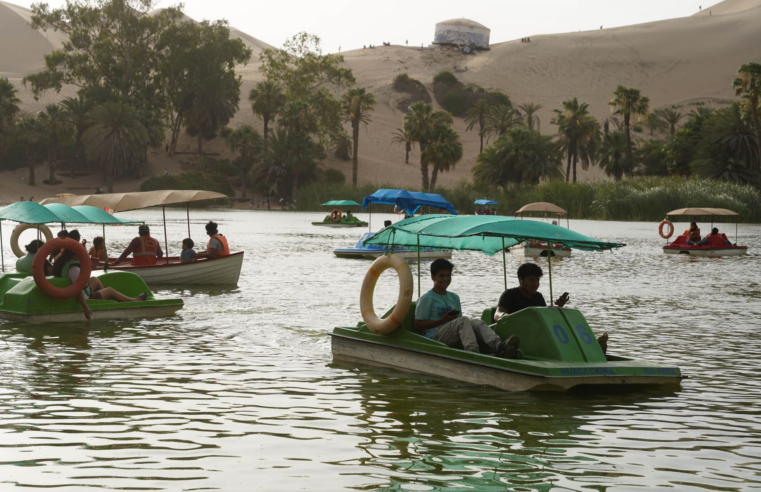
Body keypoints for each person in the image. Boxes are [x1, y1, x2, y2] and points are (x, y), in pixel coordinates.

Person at [414, 259, 520, 358]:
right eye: (441, 276)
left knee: (477, 323)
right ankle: (473, 353)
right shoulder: (427, 298)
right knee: (463, 320)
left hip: (452, 334)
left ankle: (499, 346)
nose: (445, 279)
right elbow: (418, 325)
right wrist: (443, 320)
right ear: (433, 277)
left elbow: (459, 323)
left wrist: (451, 320)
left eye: (448, 275)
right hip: (434, 337)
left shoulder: (454, 297)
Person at [494, 263, 609, 354]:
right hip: (518, 333)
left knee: (563, 324)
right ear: (521, 280)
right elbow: (497, 314)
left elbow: (544, 314)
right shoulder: (510, 294)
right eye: (531, 280)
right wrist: (504, 316)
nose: (535, 284)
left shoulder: (538, 297)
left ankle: (593, 347)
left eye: (537, 280)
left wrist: (558, 307)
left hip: (535, 332)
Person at [53, 244, 148, 320]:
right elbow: (78, 290)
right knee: (110, 290)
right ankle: (134, 300)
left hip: (82, 292)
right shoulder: (74, 270)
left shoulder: (65, 264)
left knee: (94, 279)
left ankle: (107, 300)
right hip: (85, 297)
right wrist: (85, 307)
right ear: (73, 255)